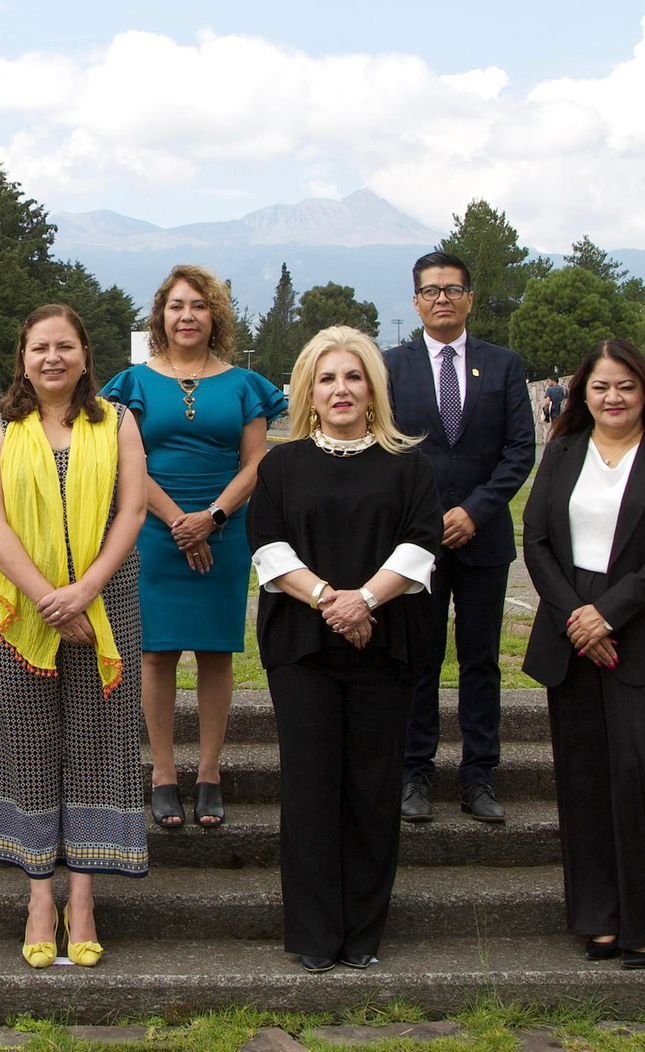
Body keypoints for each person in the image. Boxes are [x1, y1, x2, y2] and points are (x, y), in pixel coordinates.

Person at [248, 326, 440, 974]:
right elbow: (270, 552)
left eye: (353, 377)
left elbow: (419, 547)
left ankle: (363, 934)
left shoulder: (410, 464)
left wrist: (368, 602)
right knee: (309, 789)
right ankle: (313, 934)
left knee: (373, 788)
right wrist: (335, 600)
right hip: (303, 651)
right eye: (327, 378)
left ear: (373, 388)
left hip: (387, 650)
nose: (340, 389)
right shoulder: (280, 466)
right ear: (308, 389)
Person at [0, 305, 148, 969]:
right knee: (28, 744)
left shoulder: (119, 423)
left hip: (108, 603)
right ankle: (39, 895)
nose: (52, 358)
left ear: (83, 355)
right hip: (20, 608)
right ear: (23, 356)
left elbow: (132, 510)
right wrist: (49, 600)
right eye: (40, 346)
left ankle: (85, 899)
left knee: (101, 743)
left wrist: (85, 591)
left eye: (64, 346)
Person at [522, 339, 645, 970]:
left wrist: (609, 613)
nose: (613, 398)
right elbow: (537, 541)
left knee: (644, 780)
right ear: (582, 394)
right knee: (584, 782)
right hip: (571, 632)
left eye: (626, 386)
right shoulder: (564, 452)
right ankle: (597, 916)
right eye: (601, 387)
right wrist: (579, 616)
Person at [101, 265, 287, 829]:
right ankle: (162, 773)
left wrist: (211, 517)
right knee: (155, 653)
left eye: (199, 306)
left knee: (214, 652)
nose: (187, 316)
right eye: (177, 305)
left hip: (225, 529)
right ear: (161, 315)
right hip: (153, 530)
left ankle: (208, 772)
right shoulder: (131, 384)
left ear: (215, 317)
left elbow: (257, 463)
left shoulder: (245, 386)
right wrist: (180, 521)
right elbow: (124, 462)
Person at [384, 250, 535, 824]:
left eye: (453, 289)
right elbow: (388, 448)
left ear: (471, 298)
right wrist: (427, 518)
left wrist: (475, 511)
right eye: (431, 290)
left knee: (480, 660)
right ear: (416, 302)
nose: (442, 298)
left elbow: (520, 449)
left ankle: (479, 775)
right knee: (418, 659)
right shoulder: (391, 367)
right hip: (416, 544)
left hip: (484, 539)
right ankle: (415, 772)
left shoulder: (502, 365)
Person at [544, 374, 568, 441]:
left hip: (554, 415)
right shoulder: (564, 389)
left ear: (553, 381)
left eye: (548, 381)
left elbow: (547, 403)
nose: (548, 383)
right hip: (564, 414)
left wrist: (546, 412)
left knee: (556, 433)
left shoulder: (549, 390)